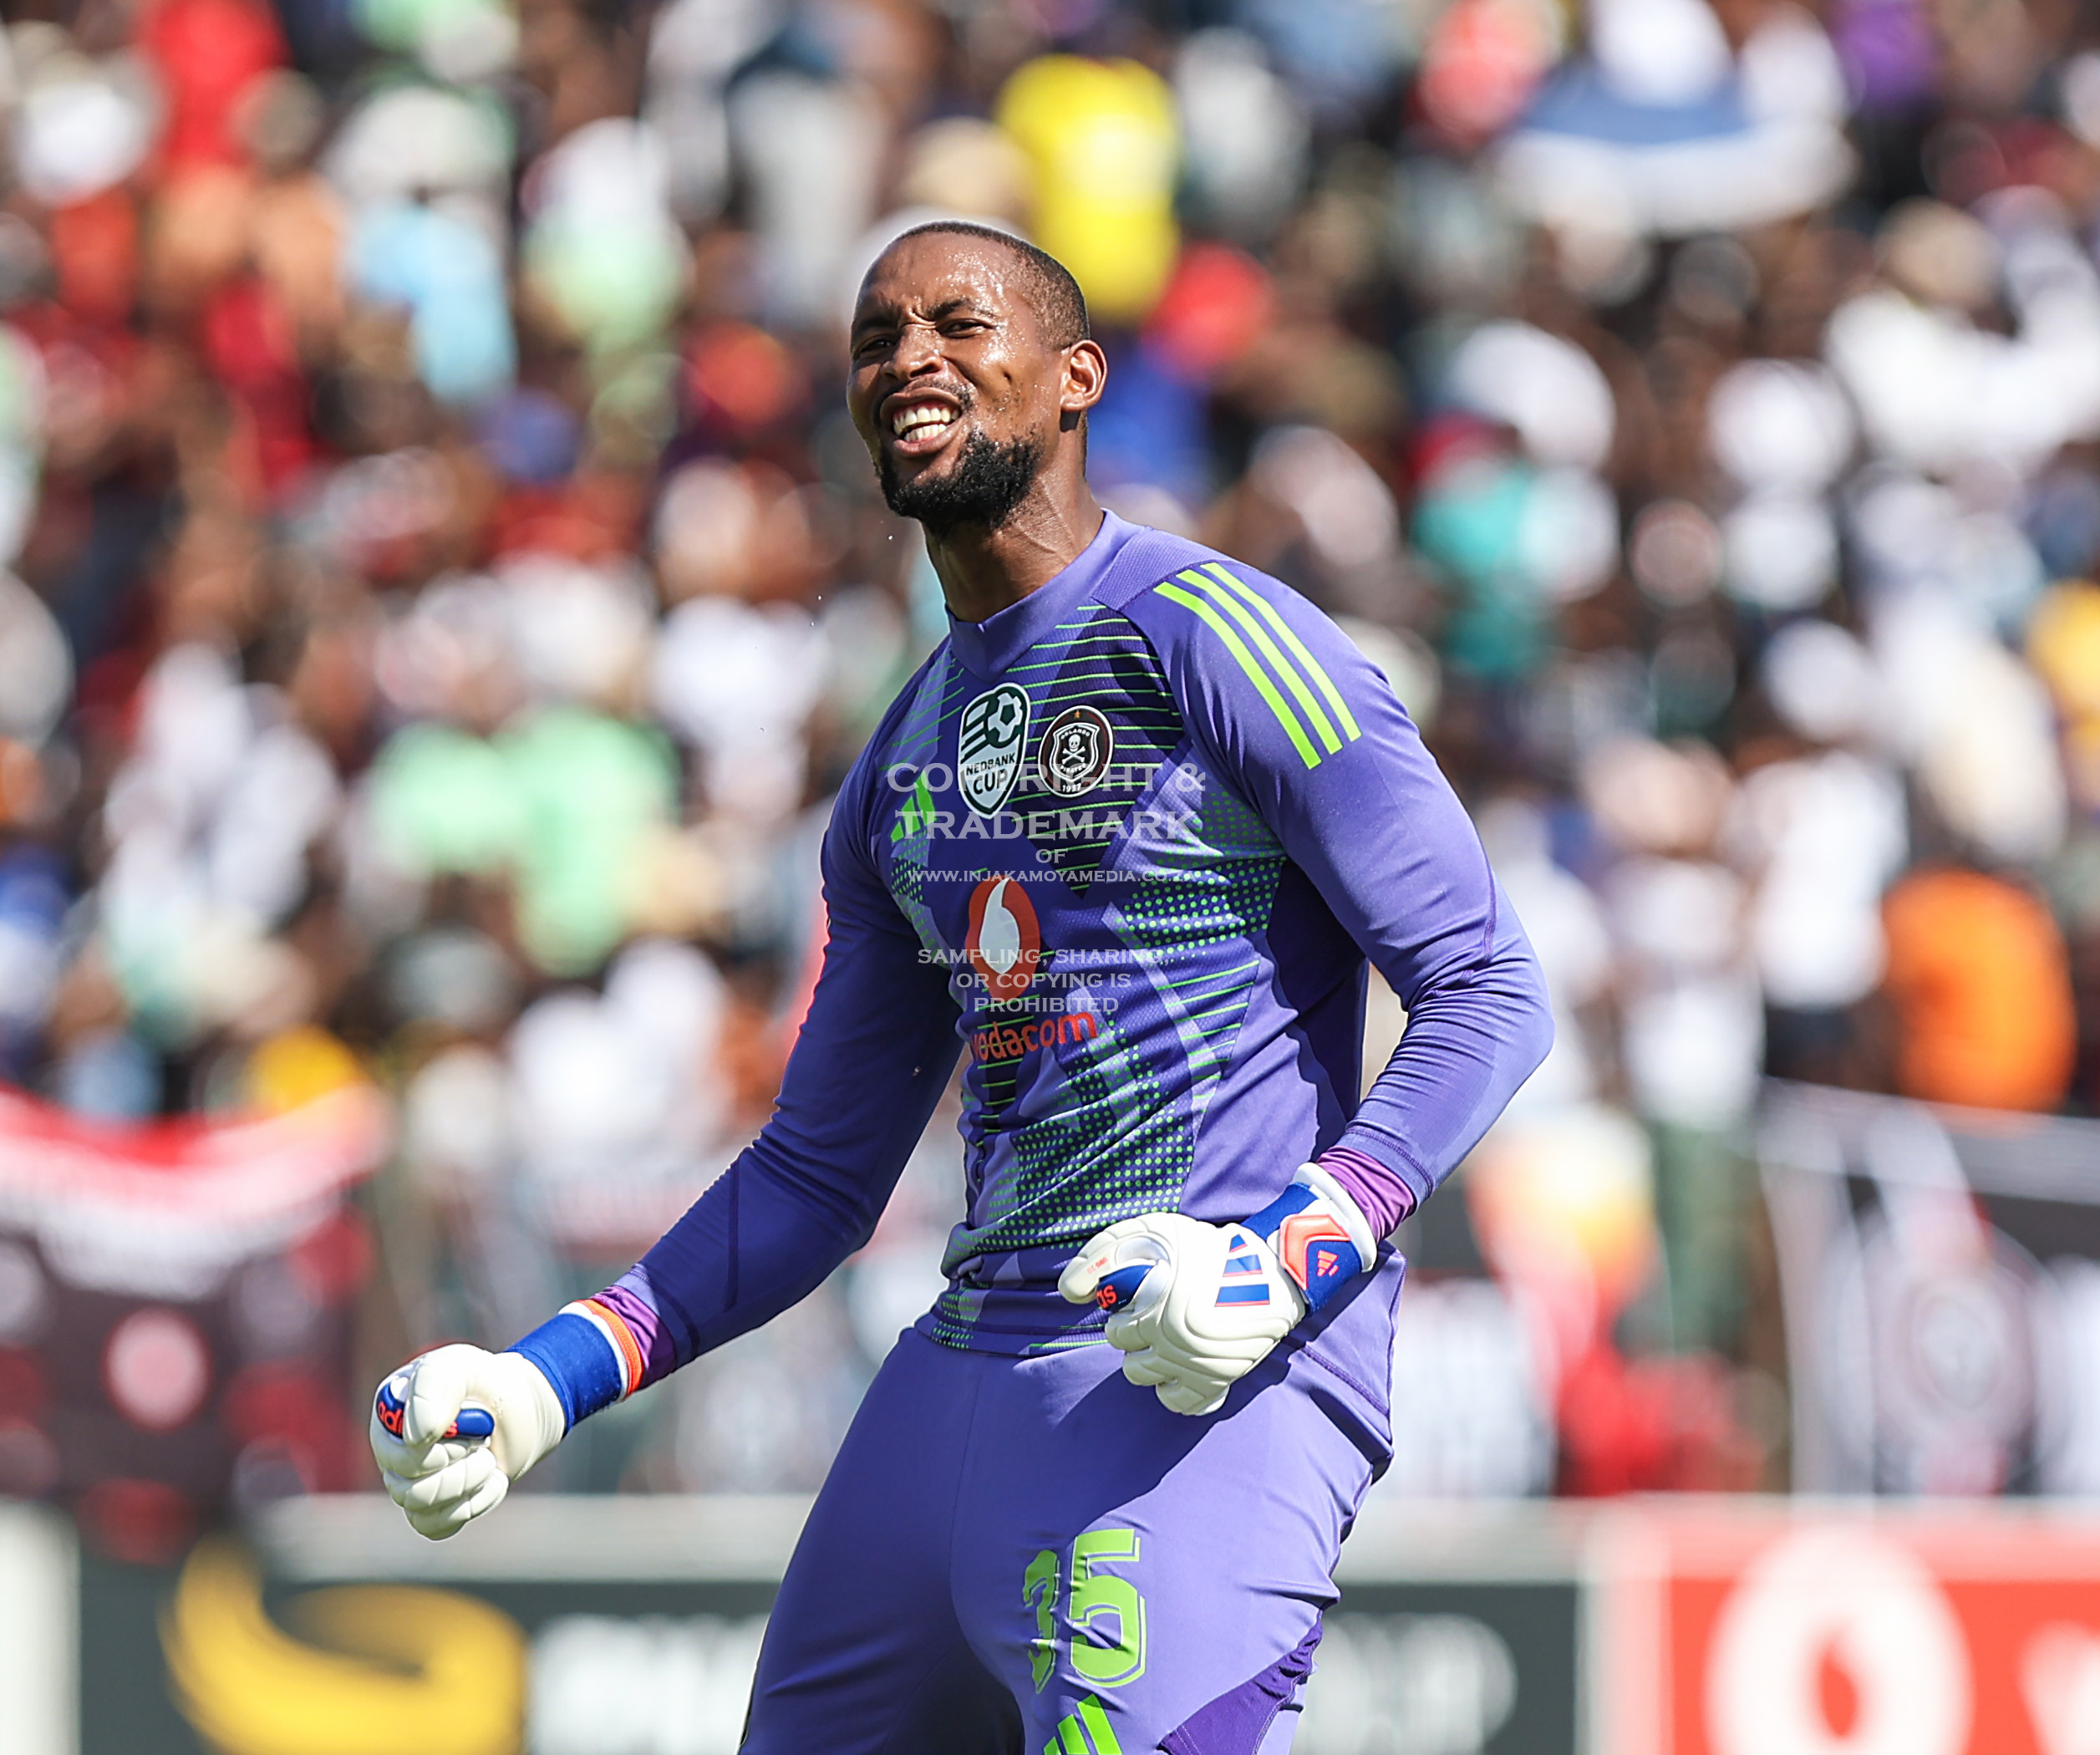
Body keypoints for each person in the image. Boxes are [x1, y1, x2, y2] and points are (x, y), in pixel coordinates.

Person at [369, 221, 1553, 1754]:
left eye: (956, 322)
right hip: (957, 1377)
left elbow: (1487, 986)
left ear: (1076, 380)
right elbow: (817, 1170)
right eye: (876, 338)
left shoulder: (1217, 637)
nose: (908, 357)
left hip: (1200, 1377)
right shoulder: (898, 757)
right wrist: (547, 1378)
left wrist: (1294, 1251)